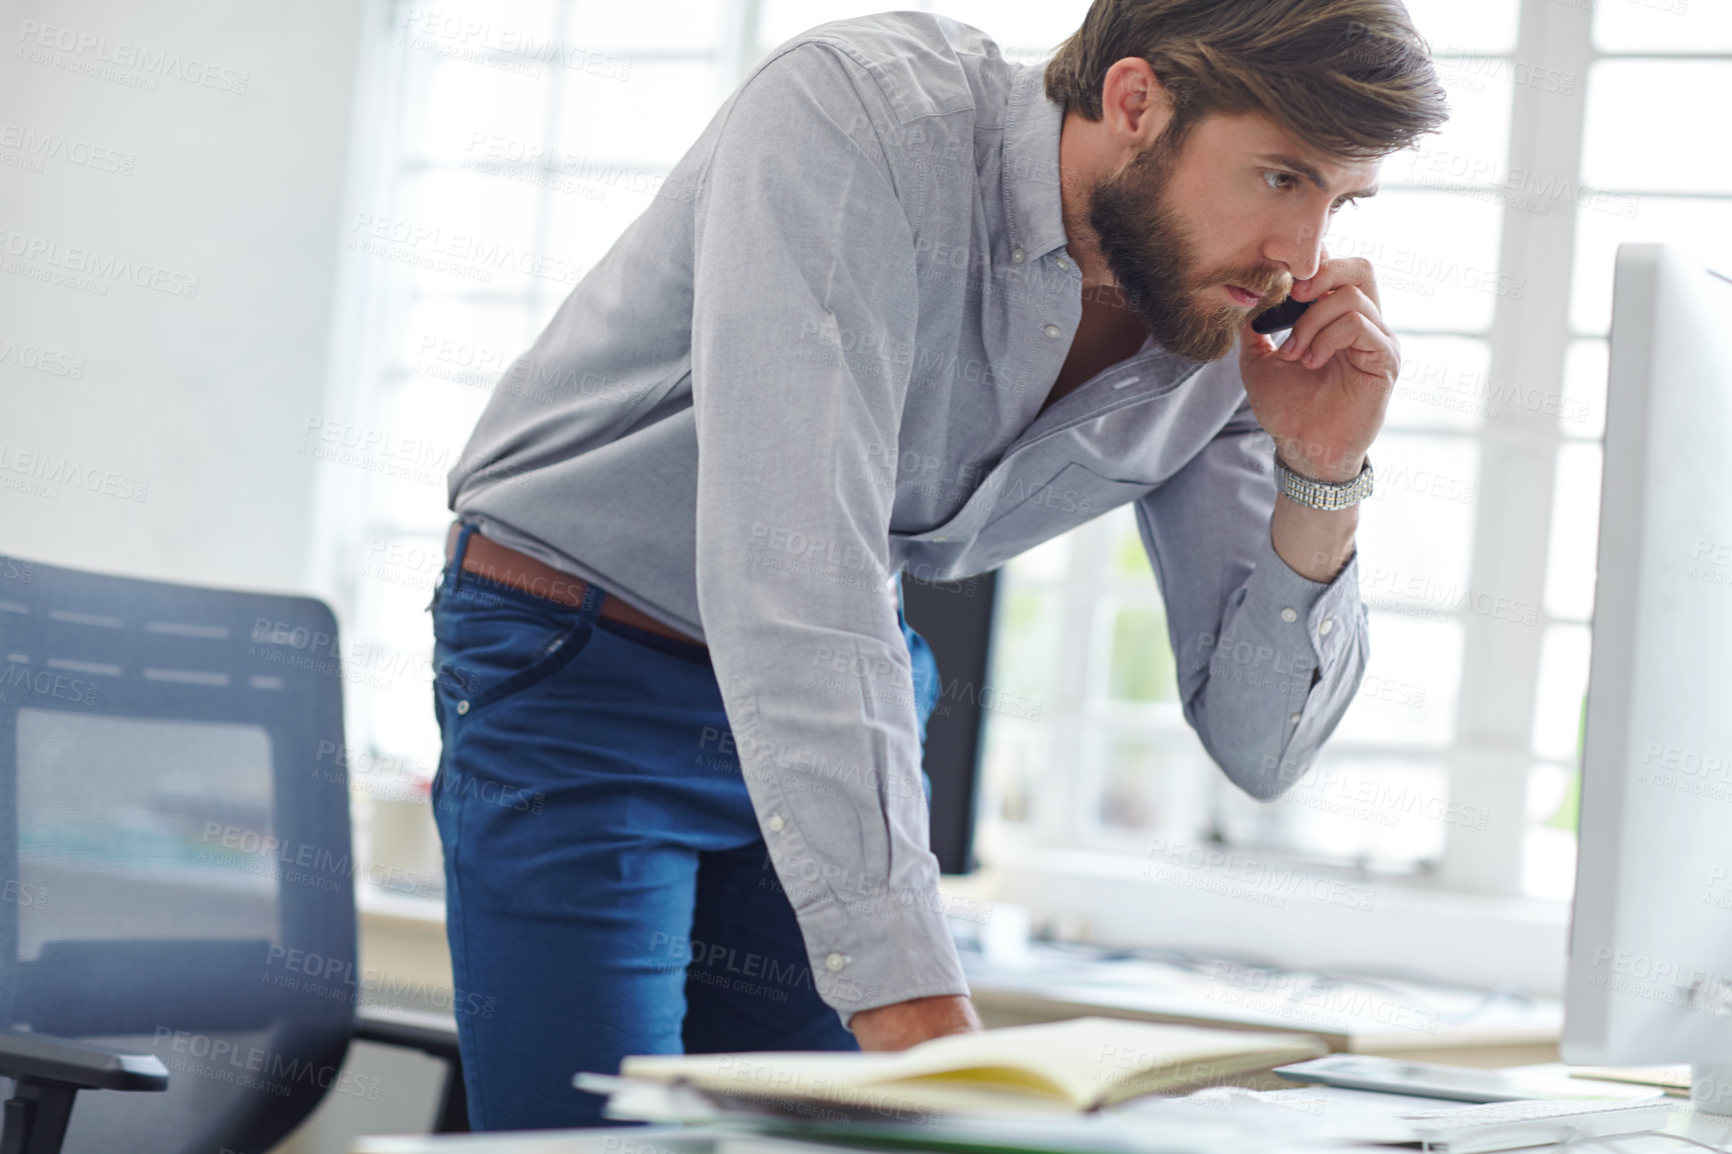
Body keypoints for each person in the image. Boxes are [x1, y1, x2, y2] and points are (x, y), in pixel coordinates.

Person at [428, 0, 1447, 1129]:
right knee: (593, 1136)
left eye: (1339, 201)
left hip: (842, 697)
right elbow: (796, 569)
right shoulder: (855, 118)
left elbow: (1261, 746)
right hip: (588, 664)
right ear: (1136, 100)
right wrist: (922, 1024)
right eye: (1280, 178)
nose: (1301, 257)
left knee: (830, 1142)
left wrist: (1322, 471)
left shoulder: (1229, 314)